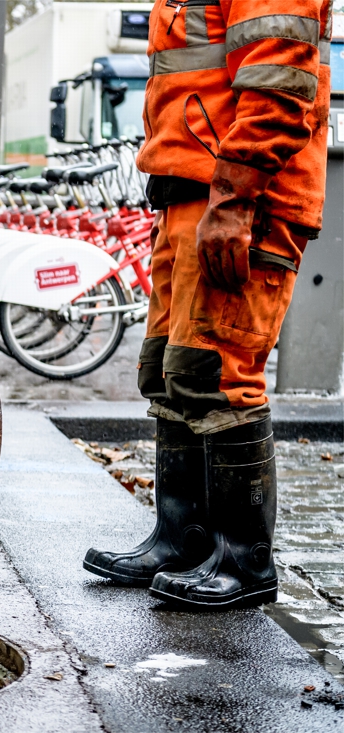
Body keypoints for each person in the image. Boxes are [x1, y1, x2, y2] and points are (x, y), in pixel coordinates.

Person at [83, 0, 332, 609]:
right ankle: (184, 539)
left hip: (240, 194)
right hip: (191, 191)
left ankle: (244, 562)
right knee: (173, 371)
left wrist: (235, 193)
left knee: (218, 375)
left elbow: (277, 74)